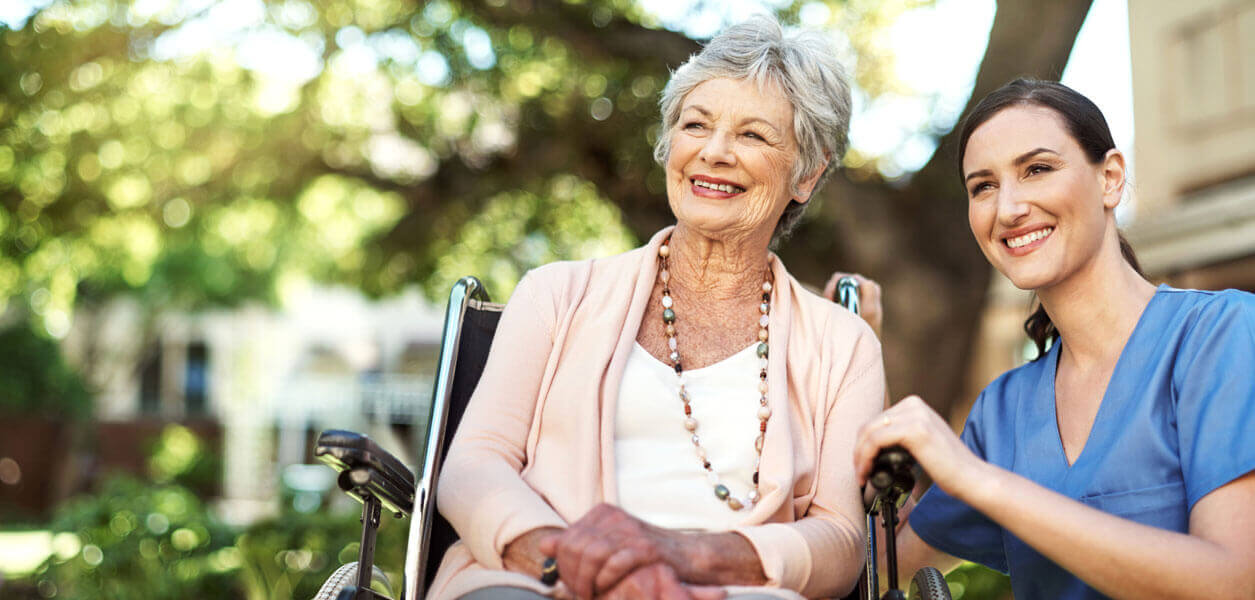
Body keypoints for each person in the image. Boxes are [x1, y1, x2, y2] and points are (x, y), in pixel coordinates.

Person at [430, 15, 885, 600]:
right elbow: (474, 465)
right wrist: (569, 561)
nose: (714, 152)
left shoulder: (844, 345)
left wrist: (687, 558)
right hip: (545, 581)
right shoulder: (555, 294)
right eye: (696, 125)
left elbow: (842, 539)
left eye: (752, 135)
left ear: (808, 174)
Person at [846, 79, 1255, 599]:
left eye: (1036, 169)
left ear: (1110, 178)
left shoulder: (1219, 336)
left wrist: (981, 481)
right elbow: (883, 565)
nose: (1008, 208)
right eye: (983, 186)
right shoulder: (1003, 413)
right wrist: (860, 352)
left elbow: (1236, 583)